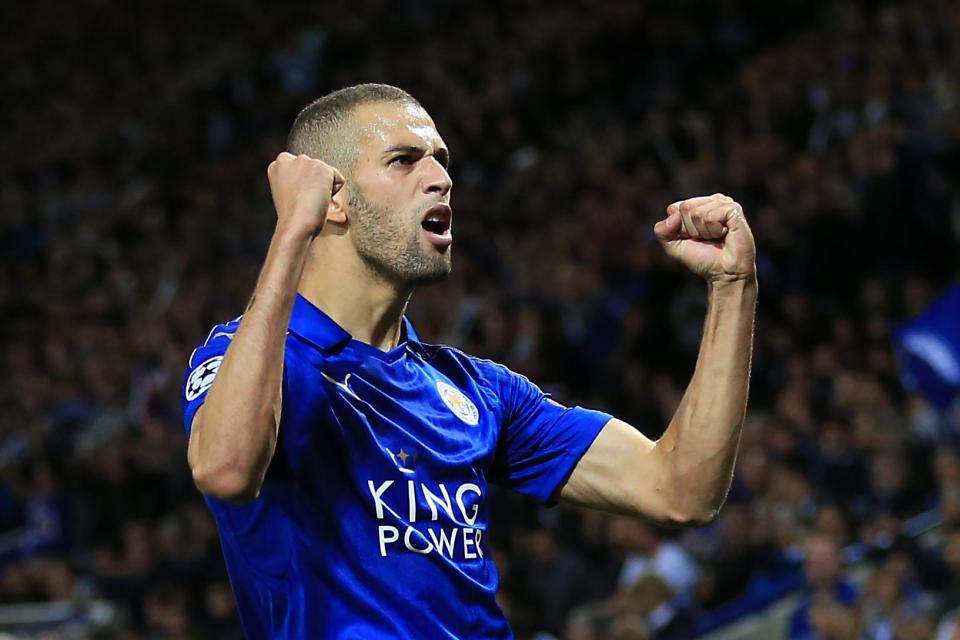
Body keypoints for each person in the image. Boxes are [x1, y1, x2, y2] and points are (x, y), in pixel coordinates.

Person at [181, 83, 758, 638]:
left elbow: (680, 490)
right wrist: (291, 232)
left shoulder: (478, 391)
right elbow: (227, 469)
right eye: (404, 161)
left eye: (441, 159)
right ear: (331, 198)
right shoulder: (247, 359)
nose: (440, 179)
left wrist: (733, 285)